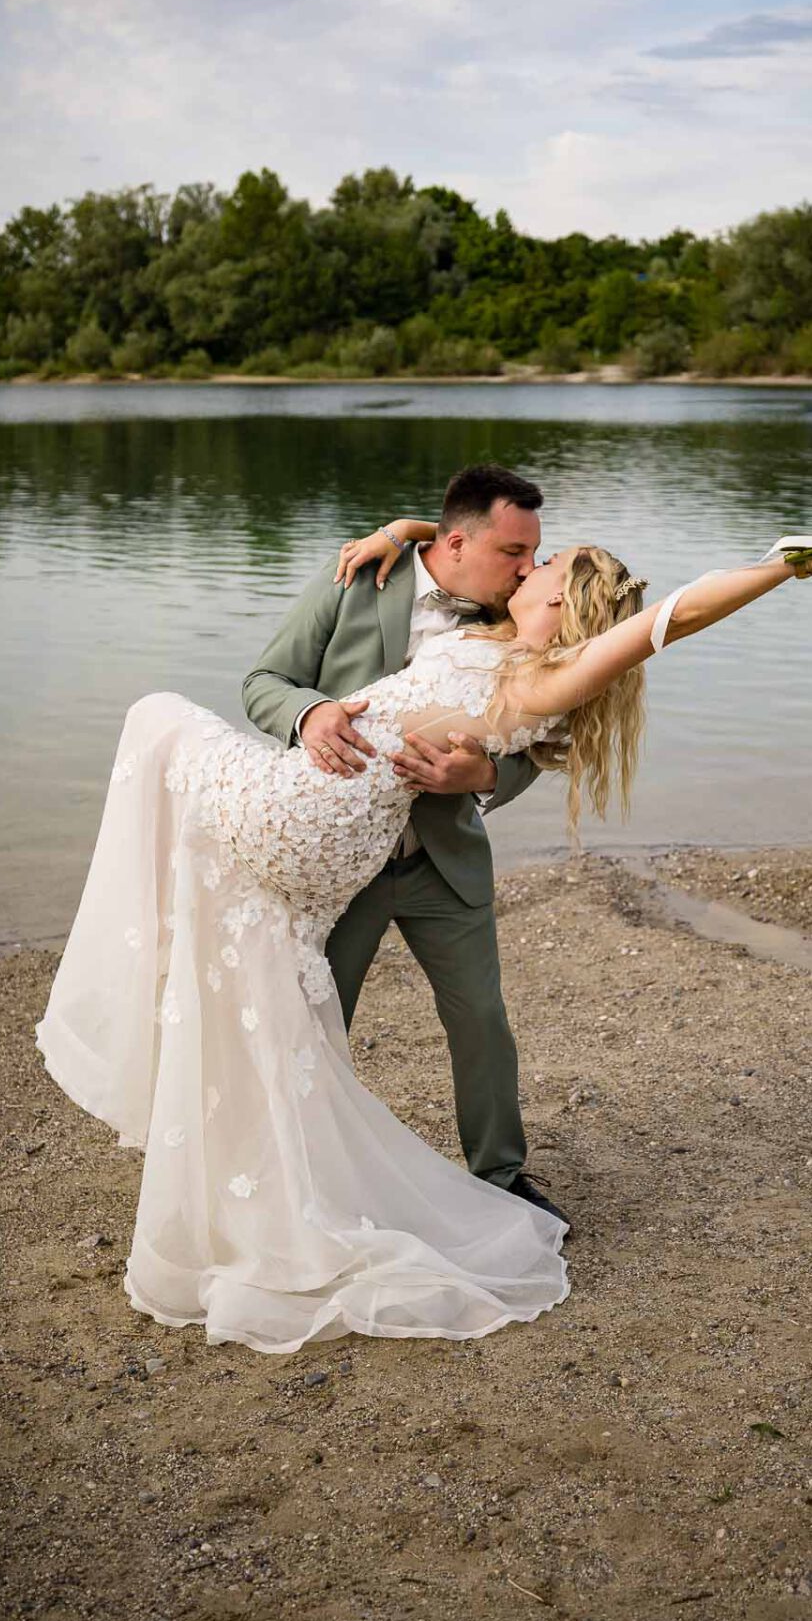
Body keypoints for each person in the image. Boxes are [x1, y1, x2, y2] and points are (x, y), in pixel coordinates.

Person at [35, 517, 812, 1357]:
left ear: (570, 598)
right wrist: (406, 530)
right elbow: (459, 547)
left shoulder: (551, 678)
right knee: (273, 1010)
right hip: (335, 833)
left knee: (156, 721)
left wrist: (790, 563)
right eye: (527, 552)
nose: (533, 563)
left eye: (550, 562)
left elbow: (679, 614)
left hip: (319, 824)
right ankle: (255, 1177)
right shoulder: (473, 622)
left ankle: (468, 1175)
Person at [242, 465, 569, 1229]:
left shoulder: (520, 620)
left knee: (482, 1020)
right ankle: (296, 1171)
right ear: (457, 540)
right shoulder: (356, 580)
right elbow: (263, 681)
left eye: (534, 555)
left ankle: (501, 1173)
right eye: (514, 552)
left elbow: (543, 739)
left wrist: (483, 771)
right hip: (340, 869)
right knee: (322, 1023)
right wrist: (313, 713)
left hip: (442, 860)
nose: (526, 569)